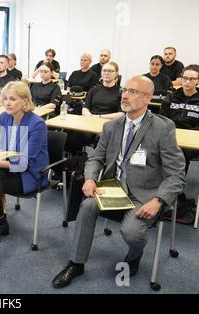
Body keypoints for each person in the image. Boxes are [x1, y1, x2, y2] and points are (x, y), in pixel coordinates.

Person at [52, 76, 186, 288]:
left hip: (146, 193)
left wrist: (159, 200)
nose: (124, 94)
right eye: (125, 90)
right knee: (86, 206)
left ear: (147, 98)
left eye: (132, 91)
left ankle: (134, 256)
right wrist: (90, 179)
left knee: (132, 233)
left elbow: (177, 173)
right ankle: (76, 263)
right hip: (113, 188)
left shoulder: (163, 128)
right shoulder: (112, 126)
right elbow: (96, 157)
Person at [0, 81, 49, 249]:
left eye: (13, 99)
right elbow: (3, 145)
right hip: (10, 167)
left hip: (30, 175)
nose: (7, 103)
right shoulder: (5, 117)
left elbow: (25, 163)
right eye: (5, 99)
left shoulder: (37, 124)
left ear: (25, 101)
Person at [160, 65, 199, 209]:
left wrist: (189, 135)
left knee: (180, 155)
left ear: (197, 81)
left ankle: (174, 191)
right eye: (185, 78)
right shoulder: (171, 97)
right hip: (171, 136)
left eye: (192, 79)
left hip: (192, 141)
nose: (187, 82)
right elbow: (162, 119)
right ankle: (162, 188)